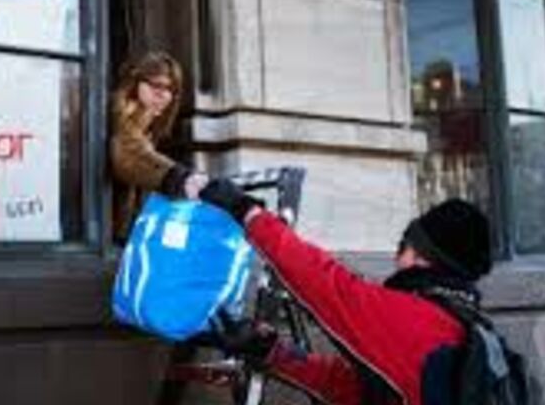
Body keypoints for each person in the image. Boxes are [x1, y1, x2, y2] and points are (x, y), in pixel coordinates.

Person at [199, 178, 496, 405]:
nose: (396, 260)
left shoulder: (415, 320)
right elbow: (356, 390)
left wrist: (246, 211)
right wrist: (272, 353)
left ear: (422, 257)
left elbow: (321, 280)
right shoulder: (468, 329)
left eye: (402, 246)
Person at [110, 50, 207, 244]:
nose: (163, 95)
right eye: (156, 85)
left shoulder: (149, 127)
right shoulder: (119, 117)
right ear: (135, 82)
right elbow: (131, 155)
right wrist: (181, 178)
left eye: (170, 89)